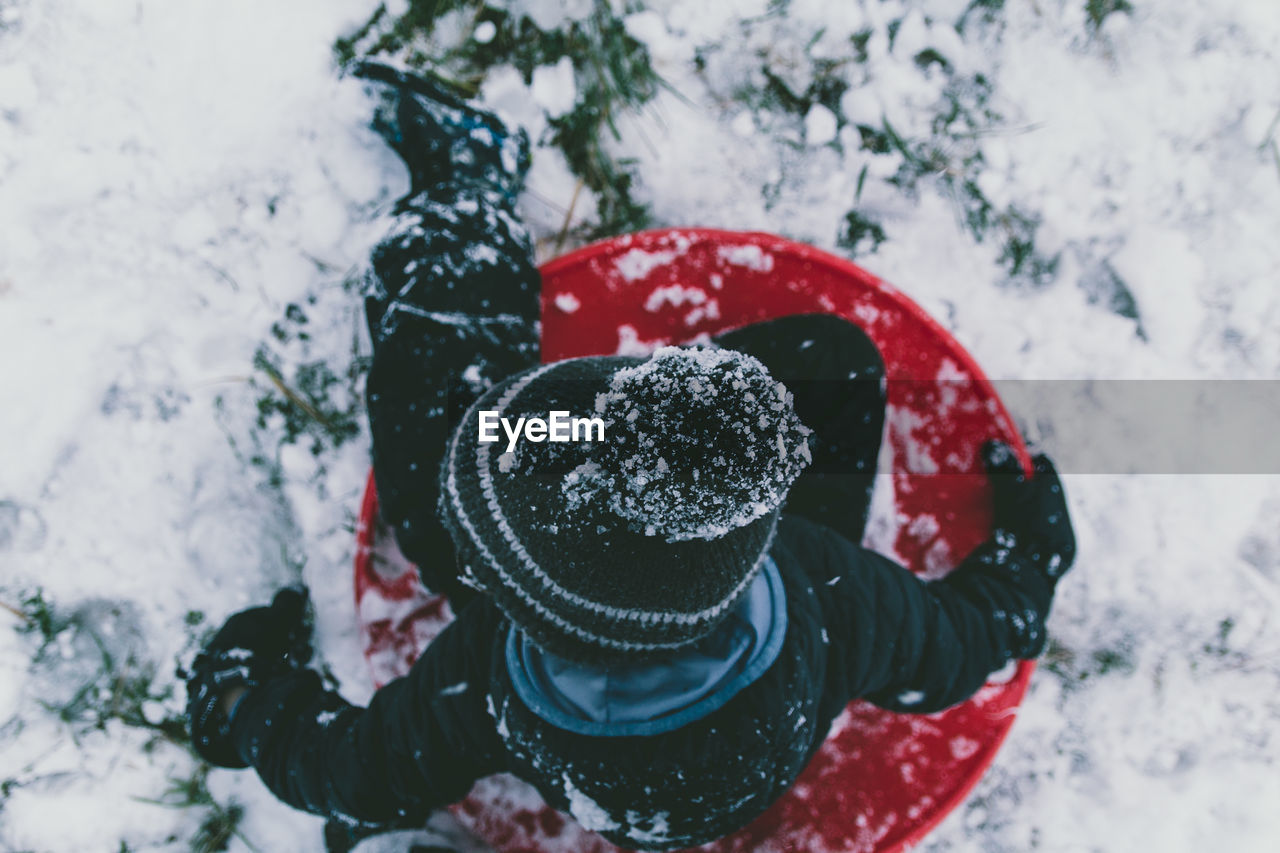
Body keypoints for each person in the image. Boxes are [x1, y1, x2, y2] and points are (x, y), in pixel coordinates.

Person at [185, 63, 1076, 852]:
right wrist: (1029, 561)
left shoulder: (489, 677)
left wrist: (243, 702)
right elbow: (959, 648)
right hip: (741, 682)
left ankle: (469, 196)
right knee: (834, 364)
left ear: (516, 602)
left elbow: (356, 771)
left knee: (449, 429)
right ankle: (637, 444)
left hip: (615, 667)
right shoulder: (823, 592)